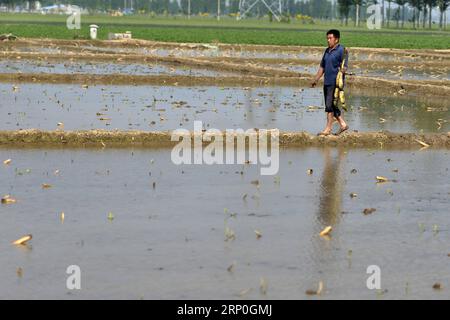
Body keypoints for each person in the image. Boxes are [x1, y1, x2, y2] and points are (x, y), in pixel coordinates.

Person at [311, 29, 349, 136]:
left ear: (336, 39)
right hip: (327, 82)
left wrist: (342, 71)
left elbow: (345, 65)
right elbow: (322, 67)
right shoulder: (327, 51)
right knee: (332, 105)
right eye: (327, 38)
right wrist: (316, 79)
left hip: (335, 83)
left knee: (329, 106)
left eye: (330, 38)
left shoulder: (342, 50)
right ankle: (343, 124)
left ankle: (327, 129)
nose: (328, 40)